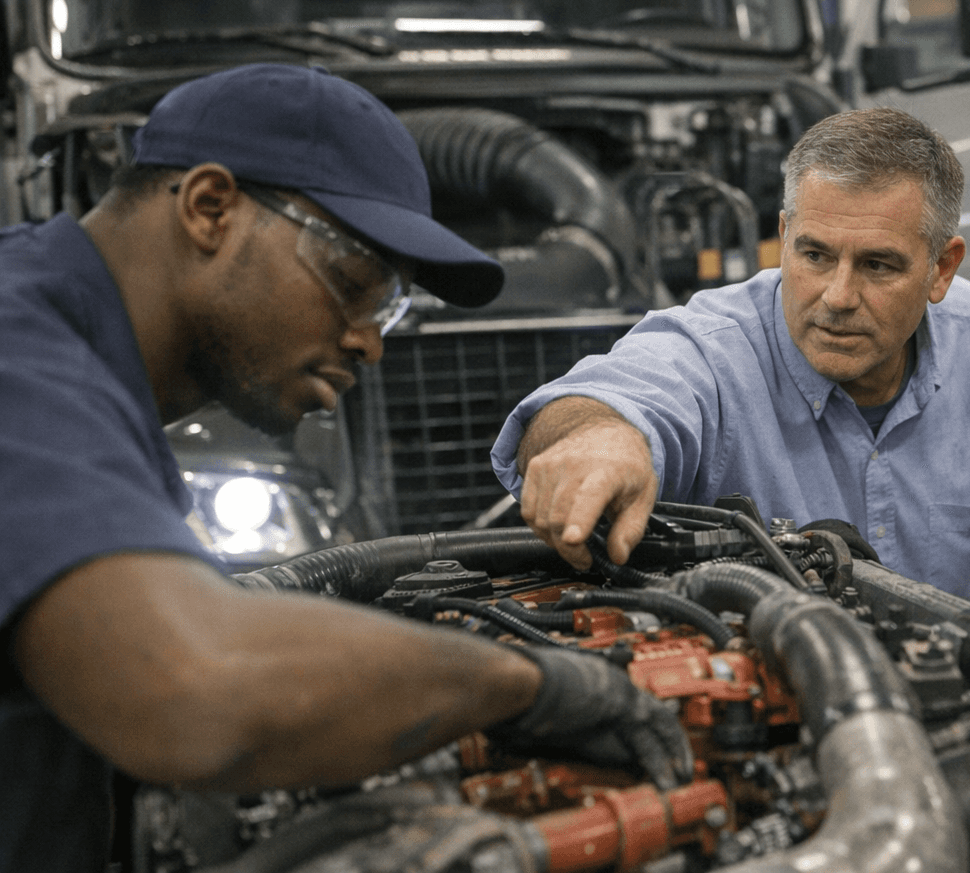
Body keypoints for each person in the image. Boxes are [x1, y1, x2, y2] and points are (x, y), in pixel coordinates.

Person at [0, 63, 691, 872]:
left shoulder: (69, 348)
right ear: (209, 207)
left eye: (389, 306)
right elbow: (198, 688)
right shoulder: (21, 359)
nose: (370, 339)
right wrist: (529, 687)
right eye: (356, 283)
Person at [491, 108, 970, 655]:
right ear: (784, 234)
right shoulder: (716, 350)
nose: (838, 298)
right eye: (815, 255)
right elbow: (611, 398)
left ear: (941, 268)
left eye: (877, 265)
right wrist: (599, 437)